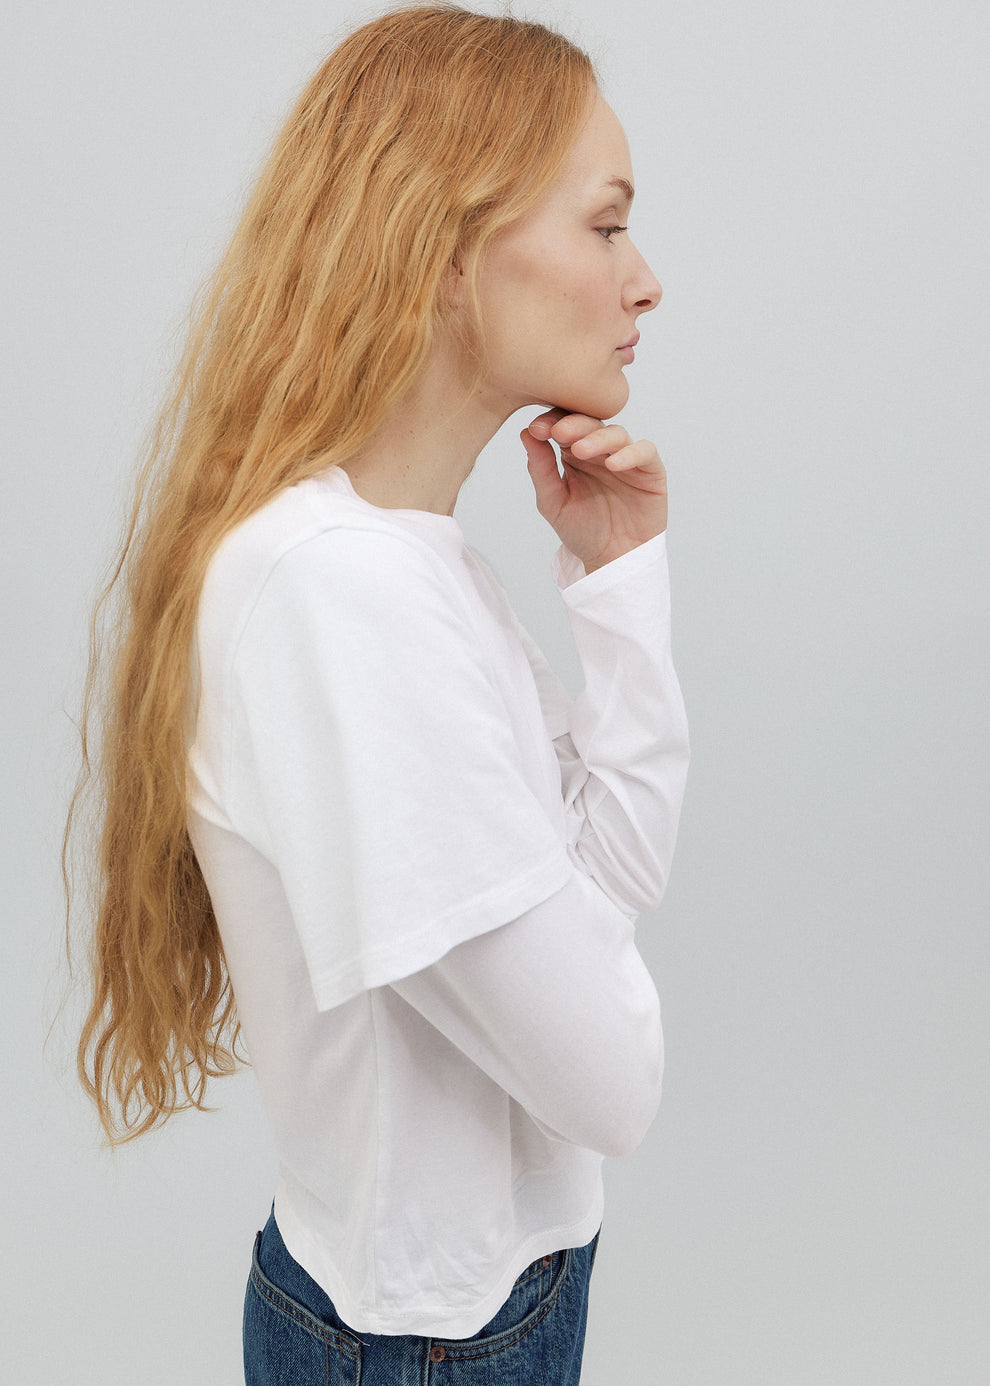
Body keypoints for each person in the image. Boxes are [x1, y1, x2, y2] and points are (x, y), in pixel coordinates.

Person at [65, 4, 690, 1382]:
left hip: (482, 1299)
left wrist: (620, 584)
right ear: (448, 246)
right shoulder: (340, 598)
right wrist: (589, 949)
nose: (643, 281)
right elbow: (613, 1084)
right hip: (425, 1341)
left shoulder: (408, 565)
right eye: (603, 225)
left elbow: (618, 869)